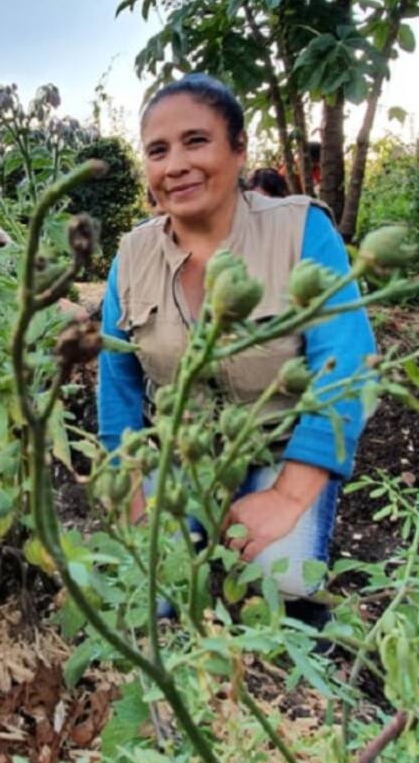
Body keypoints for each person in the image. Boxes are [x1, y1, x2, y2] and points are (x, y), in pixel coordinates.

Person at [98, 73, 375, 625]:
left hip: (281, 450)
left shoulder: (300, 230)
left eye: (196, 141)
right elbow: (119, 385)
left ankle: (286, 523)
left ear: (239, 148)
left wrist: (288, 496)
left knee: (280, 581)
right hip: (179, 453)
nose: (176, 165)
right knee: (147, 593)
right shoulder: (131, 255)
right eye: (158, 151)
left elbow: (348, 365)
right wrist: (129, 490)